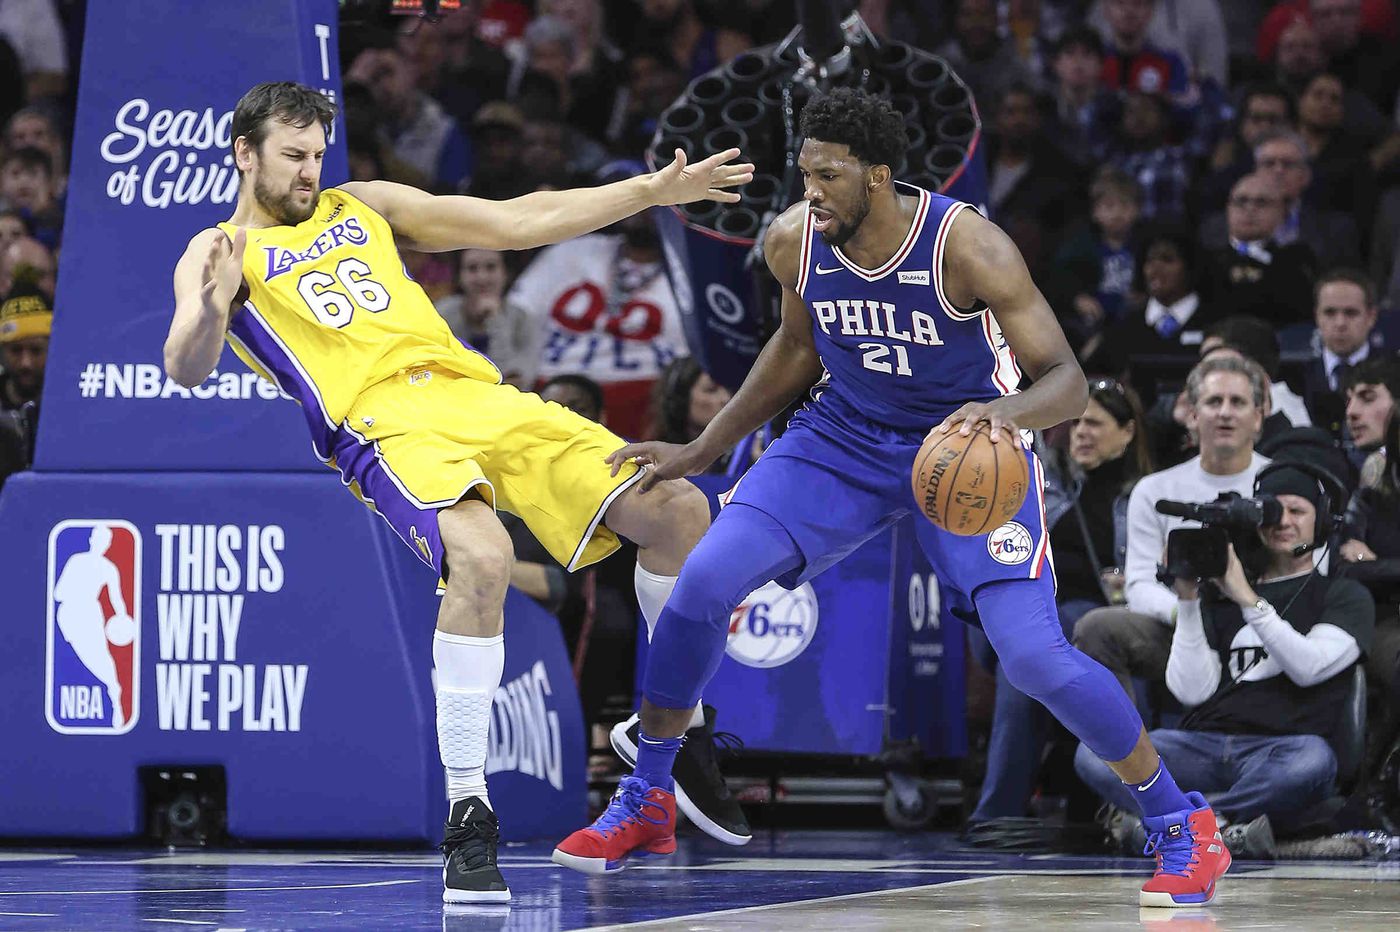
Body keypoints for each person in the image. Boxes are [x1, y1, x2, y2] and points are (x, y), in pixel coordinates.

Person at [552, 88, 1232, 908]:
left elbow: (1067, 381)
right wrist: (703, 448)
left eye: (829, 176)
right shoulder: (793, 240)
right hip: (841, 439)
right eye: (805, 173)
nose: (811, 192)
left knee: (1033, 657)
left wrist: (1005, 413)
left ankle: (1181, 822)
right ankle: (651, 795)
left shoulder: (968, 245)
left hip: (967, 454)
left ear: (877, 176)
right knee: (701, 582)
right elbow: (795, 346)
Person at [161, 81, 754, 905]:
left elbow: (516, 220)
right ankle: (469, 814)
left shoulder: (362, 204)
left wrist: (649, 192)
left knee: (679, 510)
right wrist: (208, 306)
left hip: (479, 395)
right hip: (384, 425)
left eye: (317, 154)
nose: (309, 171)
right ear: (244, 154)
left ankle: (672, 729)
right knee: (484, 556)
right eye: (292, 156)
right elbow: (184, 366)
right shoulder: (217, 247)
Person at [1076, 464, 1373, 853]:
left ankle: (1185, 822)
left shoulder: (1344, 595)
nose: (1283, 521)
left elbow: (1309, 667)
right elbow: (1192, 692)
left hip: (1282, 750)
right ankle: (1222, 827)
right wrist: (1188, 600)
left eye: (1297, 511)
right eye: (1272, 511)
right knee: (1096, 752)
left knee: (1312, 762)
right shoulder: (1221, 597)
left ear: (1321, 521)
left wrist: (1247, 598)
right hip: (1203, 747)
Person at [970, 376, 1154, 823]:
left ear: (1128, 432)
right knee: (1026, 650)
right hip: (1037, 608)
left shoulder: (1143, 496)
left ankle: (998, 815)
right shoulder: (1044, 482)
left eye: (1095, 424)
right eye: (1077, 424)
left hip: (1105, 616)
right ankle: (1001, 815)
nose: (1081, 433)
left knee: (1031, 656)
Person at [1074, 355, 1270, 709]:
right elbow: (1139, 584)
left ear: (1258, 417)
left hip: (1264, 623)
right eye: (1214, 401)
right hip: (1180, 623)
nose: (1225, 413)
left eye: (1238, 402)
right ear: (1192, 415)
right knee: (1097, 628)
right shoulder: (1154, 490)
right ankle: (1127, 742)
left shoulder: (1284, 485)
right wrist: (1187, 612)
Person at [1303, 268, 1381, 438]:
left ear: (1371, 317)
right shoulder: (1296, 379)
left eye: (1351, 313)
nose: (1340, 323)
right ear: (1317, 316)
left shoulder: (1393, 374)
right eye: (1330, 313)